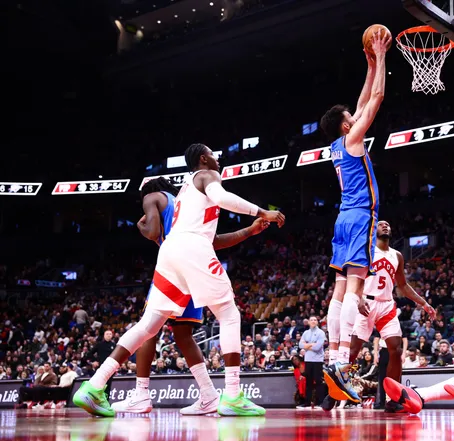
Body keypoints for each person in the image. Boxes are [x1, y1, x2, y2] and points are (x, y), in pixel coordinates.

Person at [73, 144, 284, 417]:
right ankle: (232, 395)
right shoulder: (206, 175)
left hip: (171, 252)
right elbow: (222, 198)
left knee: (149, 325)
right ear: (203, 159)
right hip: (192, 249)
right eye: (213, 154)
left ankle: (94, 384)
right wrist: (261, 212)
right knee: (229, 314)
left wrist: (249, 231)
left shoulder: (186, 191)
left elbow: (209, 237)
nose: (217, 158)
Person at [112, 177, 269, 414]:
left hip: (173, 270)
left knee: (148, 331)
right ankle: (208, 393)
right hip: (195, 269)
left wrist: (141, 226)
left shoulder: (154, 198)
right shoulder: (187, 203)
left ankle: (141, 393)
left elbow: (152, 230)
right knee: (184, 334)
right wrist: (248, 231)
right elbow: (213, 242)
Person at [320, 29, 390, 399]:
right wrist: (383, 57)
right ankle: (344, 363)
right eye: (351, 116)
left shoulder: (336, 143)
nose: (355, 114)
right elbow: (376, 98)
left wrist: (371, 64)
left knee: (339, 289)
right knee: (356, 286)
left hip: (342, 219)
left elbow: (362, 101)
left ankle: (333, 355)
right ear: (347, 125)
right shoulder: (352, 138)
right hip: (361, 215)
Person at [322, 221, 435, 410]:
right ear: (374, 230)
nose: (385, 226)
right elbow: (353, 278)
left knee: (396, 349)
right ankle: (334, 392)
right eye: (381, 224)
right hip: (365, 302)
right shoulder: (365, 250)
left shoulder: (397, 255)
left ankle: (394, 398)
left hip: (386, 305)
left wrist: (423, 303)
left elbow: (403, 286)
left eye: (388, 225)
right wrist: (357, 298)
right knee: (351, 352)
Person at [297, 316, 326, 409]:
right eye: (311, 320)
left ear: (317, 322)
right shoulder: (306, 333)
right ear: (308, 322)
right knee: (308, 382)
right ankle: (307, 403)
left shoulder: (321, 333)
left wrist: (307, 345)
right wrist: (311, 344)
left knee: (318, 382)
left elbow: (318, 347)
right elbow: (300, 345)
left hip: (317, 360)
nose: (313, 321)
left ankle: (320, 403)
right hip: (308, 360)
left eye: (315, 320)